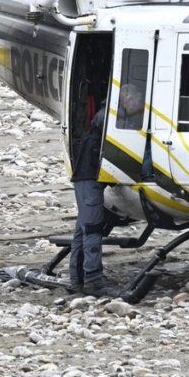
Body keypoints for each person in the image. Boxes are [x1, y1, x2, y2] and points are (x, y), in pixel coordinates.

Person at [69, 96, 118, 297]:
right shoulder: (106, 117)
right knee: (91, 229)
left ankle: (77, 279)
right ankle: (93, 279)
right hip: (90, 178)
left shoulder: (102, 115)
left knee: (82, 229)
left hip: (84, 177)